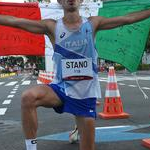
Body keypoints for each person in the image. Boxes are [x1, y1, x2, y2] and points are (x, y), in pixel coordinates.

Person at [0, 0, 150, 150]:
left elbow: (128, 18)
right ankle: (30, 148)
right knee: (28, 97)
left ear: (81, 1)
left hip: (85, 94)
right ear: (59, 1)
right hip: (60, 89)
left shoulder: (93, 24)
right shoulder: (52, 26)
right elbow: (16, 21)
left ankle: (78, 128)